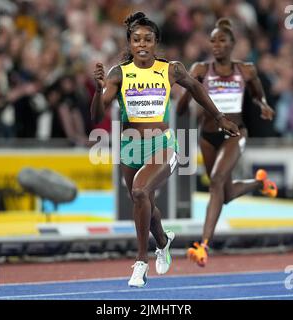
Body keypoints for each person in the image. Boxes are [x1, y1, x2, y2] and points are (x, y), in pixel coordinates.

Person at [90, 12, 239, 287]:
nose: (142, 44)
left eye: (148, 39)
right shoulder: (119, 73)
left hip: (163, 143)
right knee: (144, 201)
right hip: (130, 147)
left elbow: (196, 88)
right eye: (136, 40)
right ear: (130, 44)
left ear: (156, 41)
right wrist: (99, 92)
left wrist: (219, 117)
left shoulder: (171, 69)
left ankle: (139, 262)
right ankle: (162, 239)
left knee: (139, 190)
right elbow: (96, 115)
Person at [177, 18, 277, 267]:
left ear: (233, 44)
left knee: (217, 183)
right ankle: (260, 182)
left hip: (235, 134)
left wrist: (263, 104)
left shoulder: (246, 70)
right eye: (212, 41)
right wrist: (189, 89)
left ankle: (203, 245)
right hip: (207, 137)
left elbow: (257, 93)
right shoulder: (201, 69)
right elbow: (181, 109)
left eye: (222, 40)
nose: (216, 45)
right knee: (226, 193)